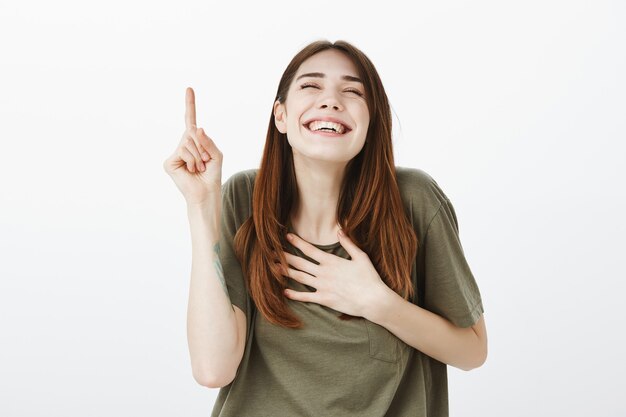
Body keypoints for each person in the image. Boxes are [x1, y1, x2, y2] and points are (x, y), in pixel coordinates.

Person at [163, 39, 488, 417]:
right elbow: (212, 368)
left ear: (372, 121)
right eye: (311, 86)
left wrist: (378, 303)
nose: (331, 101)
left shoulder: (414, 200)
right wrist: (202, 207)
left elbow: (473, 350)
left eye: (352, 91)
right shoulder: (244, 197)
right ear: (280, 116)